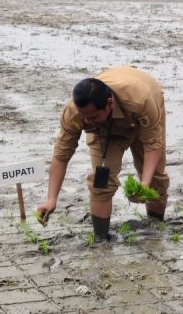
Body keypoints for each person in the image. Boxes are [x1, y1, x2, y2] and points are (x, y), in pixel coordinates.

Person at [36, 67, 169, 240]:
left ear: (109, 104)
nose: (86, 121)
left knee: (155, 178)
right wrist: (51, 198)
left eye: (91, 117)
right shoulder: (75, 114)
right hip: (104, 132)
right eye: (84, 117)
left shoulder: (141, 101)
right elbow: (61, 156)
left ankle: (155, 228)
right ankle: (101, 240)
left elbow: (153, 146)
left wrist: (144, 184)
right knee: (101, 182)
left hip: (142, 111)